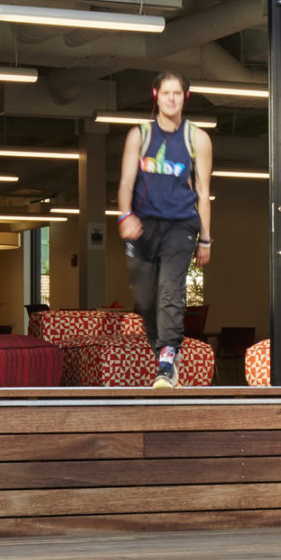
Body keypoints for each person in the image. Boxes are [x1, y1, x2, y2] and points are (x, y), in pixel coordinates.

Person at [117, 69, 213, 389]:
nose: (171, 99)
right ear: (155, 95)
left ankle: (166, 362)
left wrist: (206, 239)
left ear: (185, 97)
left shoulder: (197, 138)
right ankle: (165, 352)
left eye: (177, 93)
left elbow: (202, 191)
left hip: (181, 225)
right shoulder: (140, 135)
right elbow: (126, 182)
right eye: (165, 93)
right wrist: (125, 215)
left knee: (171, 291)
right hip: (145, 226)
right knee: (147, 300)